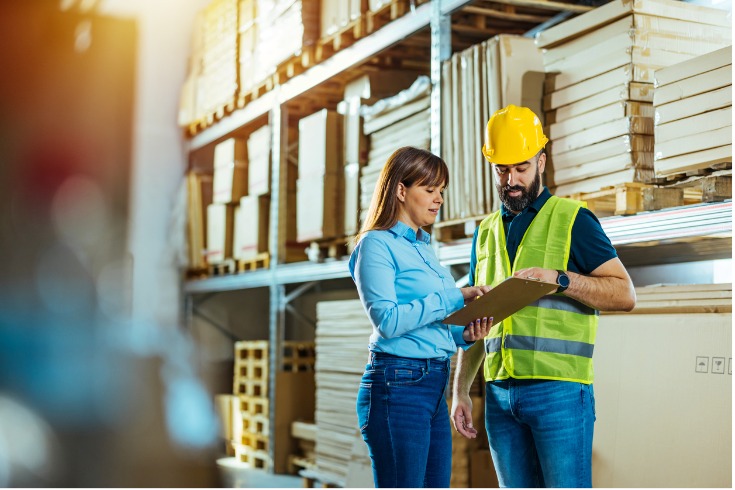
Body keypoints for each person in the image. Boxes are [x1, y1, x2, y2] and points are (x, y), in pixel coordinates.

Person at [450, 105, 636, 488]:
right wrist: (461, 391)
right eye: (502, 170)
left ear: (541, 162)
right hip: (499, 396)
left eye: (521, 167)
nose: (511, 179)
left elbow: (624, 293)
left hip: (560, 394)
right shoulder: (484, 232)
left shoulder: (573, 219)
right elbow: (476, 319)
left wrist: (561, 279)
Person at [349, 146, 494, 488]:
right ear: (401, 190)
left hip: (432, 386)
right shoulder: (376, 245)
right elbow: (387, 321)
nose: (438, 198)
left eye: (441, 191)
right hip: (397, 386)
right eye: (429, 190)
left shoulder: (423, 247)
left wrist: (465, 334)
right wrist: (454, 295)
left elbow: (432, 324)